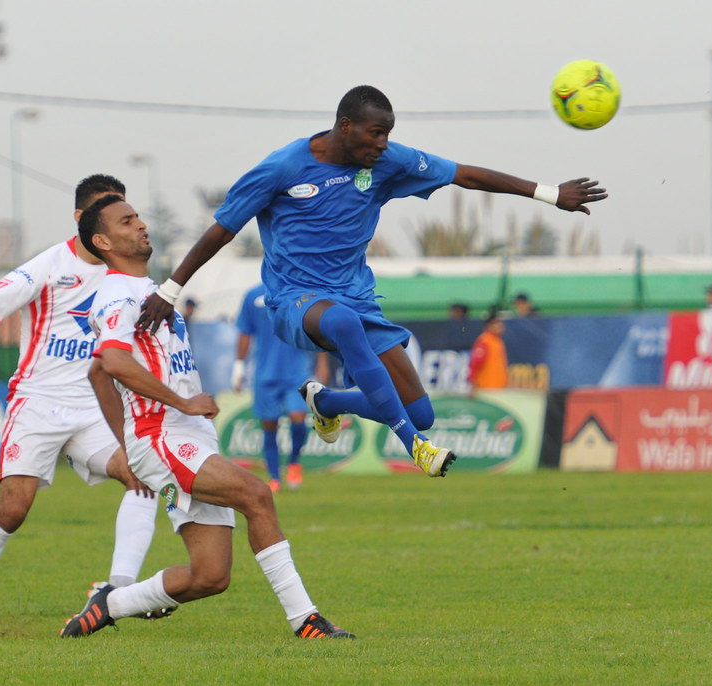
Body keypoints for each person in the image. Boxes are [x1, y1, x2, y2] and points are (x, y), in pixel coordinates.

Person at [137, 85, 606, 478]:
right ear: (346, 127)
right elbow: (222, 229)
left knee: (421, 408)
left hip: (358, 299)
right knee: (343, 326)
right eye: (376, 132)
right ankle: (416, 447)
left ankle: (330, 402)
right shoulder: (283, 167)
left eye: (388, 134)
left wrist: (549, 194)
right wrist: (170, 290)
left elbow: (465, 175)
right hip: (293, 299)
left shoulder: (386, 162)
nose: (383, 143)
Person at [61, 195, 351, 640]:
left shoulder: (149, 290)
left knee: (210, 576)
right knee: (257, 494)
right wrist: (172, 413)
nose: (141, 225)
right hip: (165, 435)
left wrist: (129, 444)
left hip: (184, 437)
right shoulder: (116, 294)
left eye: (139, 216)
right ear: (102, 240)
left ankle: (110, 603)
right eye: (127, 221)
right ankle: (306, 621)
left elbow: (98, 371)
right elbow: (113, 362)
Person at [0, 174, 164, 625]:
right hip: (37, 403)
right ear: (84, 220)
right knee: (13, 508)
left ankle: (116, 592)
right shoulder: (50, 264)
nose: (123, 224)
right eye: (109, 213)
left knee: (143, 475)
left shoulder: (130, 276)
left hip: (94, 408)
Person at [233, 282, 327, 491]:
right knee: (269, 425)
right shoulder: (253, 295)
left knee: (298, 418)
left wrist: (322, 361)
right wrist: (238, 367)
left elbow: (316, 328)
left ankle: (293, 463)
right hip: (265, 373)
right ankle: (274, 476)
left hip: (297, 371)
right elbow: (245, 332)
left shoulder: (302, 292)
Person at [467, 307, 508, 391]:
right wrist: (472, 383)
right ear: (489, 326)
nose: (499, 326)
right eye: (496, 323)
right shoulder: (484, 341)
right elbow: (475, 362)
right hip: (486, 388)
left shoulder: (498, 341)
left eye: (500, 323)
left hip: (499, 387)